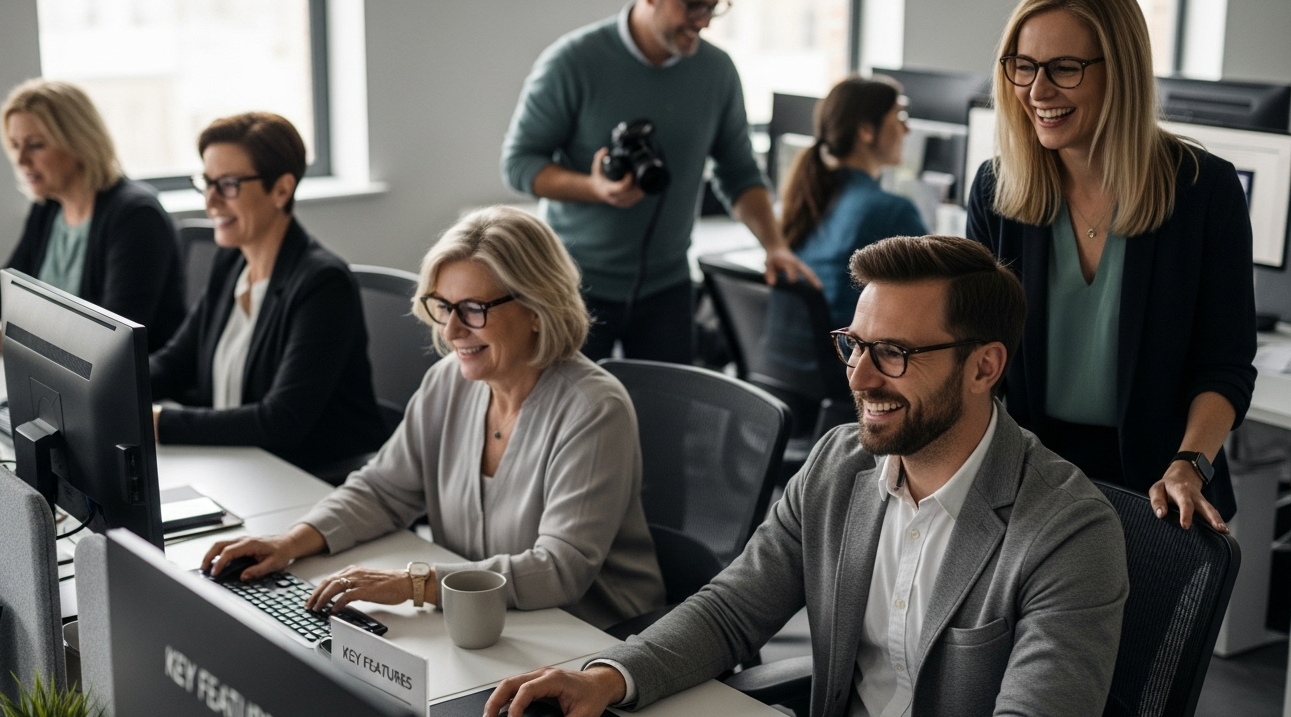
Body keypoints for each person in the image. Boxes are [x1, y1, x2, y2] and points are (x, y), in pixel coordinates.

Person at [483, 236, 1129, 717]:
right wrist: (608, 676)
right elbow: (733, 609)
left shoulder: (1066, 529)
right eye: (854, 344)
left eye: (894, 353)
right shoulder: (839, 465)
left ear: (985, 368)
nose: (861, 376)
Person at [200, 206, 667, 630]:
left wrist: (413, 584)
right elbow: (383, 490)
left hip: (589, 638)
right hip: (483, 623)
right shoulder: (450, 381)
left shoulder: (592, 410)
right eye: (443, 306)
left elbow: (558, 569)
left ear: (537, 309)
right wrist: (290, 542)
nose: (451, 330)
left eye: (473, 309)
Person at [967, 0, 1256, 531]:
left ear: (1120, 70)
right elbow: (978, 354)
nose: (1037, 91)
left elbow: (1226, 363)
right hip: (1029, 482)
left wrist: (1190, 464)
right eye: (1023, 65)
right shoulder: (996, 189)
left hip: (1162, 490)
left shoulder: (1203, 190)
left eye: (1065, 68)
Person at [501, 0, 818, 365]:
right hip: (571, 284)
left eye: (714, 7)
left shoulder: (717, 71)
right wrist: (594, 188)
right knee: (568, 412)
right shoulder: (572, 61)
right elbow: (519, 164)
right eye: (694, 6)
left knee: (670, 415)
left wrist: (774, 245)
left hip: (667, 289)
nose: (704, 21)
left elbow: (739, 172)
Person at [147, 112, 386, 482]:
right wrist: (106, 388)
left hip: (305, 480)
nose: (210, 201)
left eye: (227, 185)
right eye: (206, 182)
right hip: (235, 468)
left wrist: (160, 423)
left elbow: (280, 421)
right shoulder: (230, 262)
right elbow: (176, 362)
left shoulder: (322, 284)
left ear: (281, 190)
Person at [0, 79, 185, 352]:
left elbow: (116, 335)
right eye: (15, 145)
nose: (20, 160)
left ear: (79, 143)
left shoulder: (136, 216)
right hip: (60, 374)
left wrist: (11, 335)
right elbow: (10, 285)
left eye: (35, 145)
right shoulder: (49, 206)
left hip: (131, 385)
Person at [765, 75, 927, 372]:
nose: (907, 129)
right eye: (899, 116)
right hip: (849, 370)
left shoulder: (808, 198)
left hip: (789, 370)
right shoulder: (891, 211)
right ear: (866, 131)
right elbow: (935, 301)